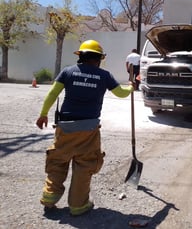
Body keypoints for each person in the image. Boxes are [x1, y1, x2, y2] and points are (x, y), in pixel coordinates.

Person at [35, 40, 134, 216]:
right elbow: (120, 94)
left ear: (80, 56)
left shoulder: (68, 71)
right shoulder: (104, 75)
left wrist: (43, 114)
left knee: (58, 160)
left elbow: (52, 93)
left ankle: (50, 197)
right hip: (89, 128)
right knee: (84, 165)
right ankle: (78, 206)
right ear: (99, 59)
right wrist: (131, 87)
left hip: (65, 127)